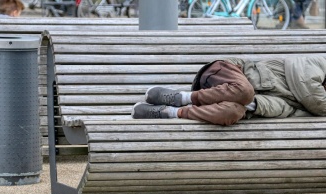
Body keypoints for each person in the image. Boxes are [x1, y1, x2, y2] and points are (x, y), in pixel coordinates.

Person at [132, 56, 326, 125]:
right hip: (226, 72)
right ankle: (181, 97)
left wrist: (253, 106)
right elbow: (312, 93)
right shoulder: (318, 65)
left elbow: (280, 108)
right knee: (245, 91)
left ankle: (171, 112)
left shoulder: (304, 105)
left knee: (233, 112)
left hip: (238, 99)